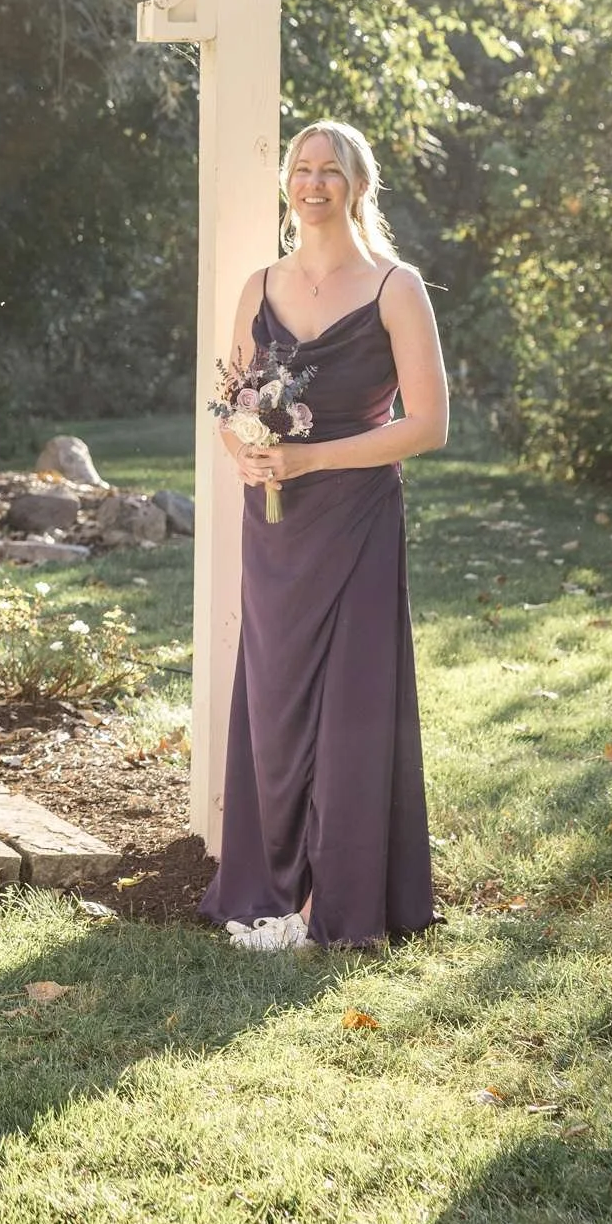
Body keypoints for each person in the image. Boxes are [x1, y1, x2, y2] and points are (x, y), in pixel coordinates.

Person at [203, 123, 446, 958]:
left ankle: (337, 901)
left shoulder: (395, 287)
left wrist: (311, 458)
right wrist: (244, 451)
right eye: (301, 169)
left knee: (352, 705)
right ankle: (267, 887)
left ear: (358, 185)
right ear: (288, 183)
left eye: (330, 171)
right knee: (274, 704)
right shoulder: (259, 285)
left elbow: (430, 424)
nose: (313, 183)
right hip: (276, 526)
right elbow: (231, 404)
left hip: (358, 519)